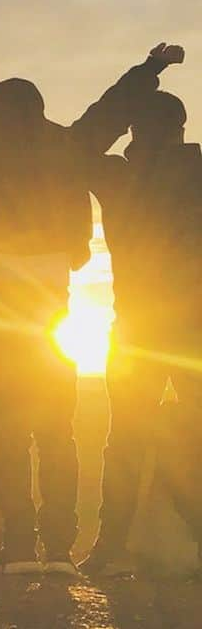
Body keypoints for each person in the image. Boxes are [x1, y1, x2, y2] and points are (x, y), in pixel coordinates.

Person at [0, 18, 179, 576]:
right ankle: (60, 551)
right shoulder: (64, 144)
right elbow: (109, 114)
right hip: (48, 305)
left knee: (7, 428)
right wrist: (150, 68)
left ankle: (19, 546)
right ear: (38, 110)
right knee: (56, 428)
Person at [81, 68, 202, 577]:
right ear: (181, 127)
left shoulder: (115, 175)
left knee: (124, 437)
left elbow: (85, 135)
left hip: (136, 323)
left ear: (132, 130)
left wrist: (142, 77)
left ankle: (110, 549)